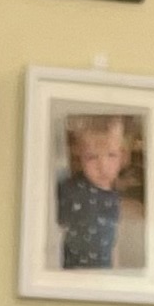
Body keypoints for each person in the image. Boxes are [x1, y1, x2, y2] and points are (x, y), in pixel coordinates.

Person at [55, 114, 137, 271]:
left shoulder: (114, 197)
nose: (103, 166)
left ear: (123, 156)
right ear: (80, 157)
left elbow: (112, 241)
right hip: (73, 273)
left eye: (111, 155)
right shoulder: (69, 189)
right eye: (92, 157)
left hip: (103, 272)